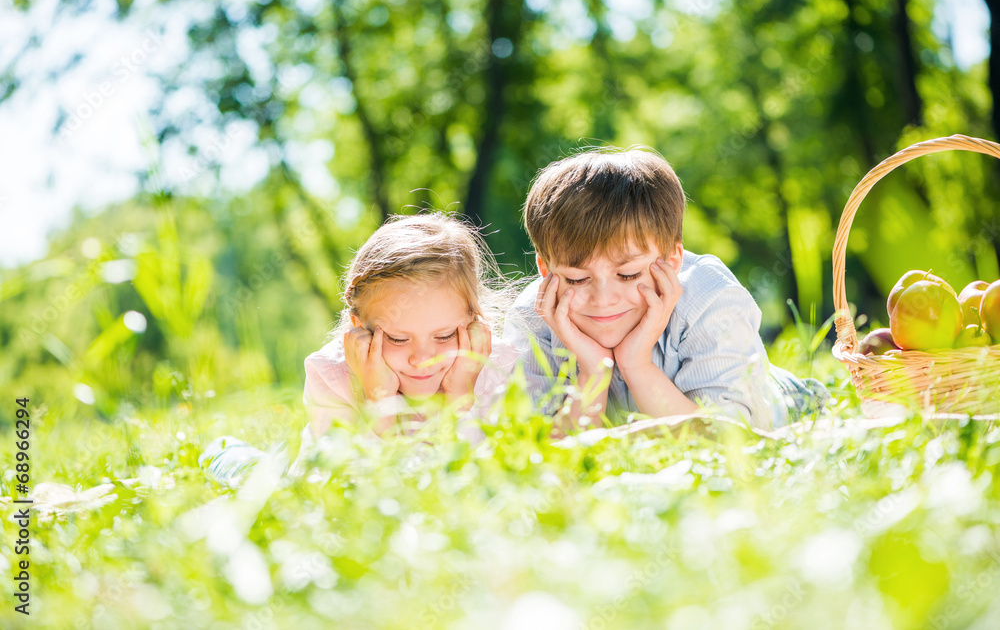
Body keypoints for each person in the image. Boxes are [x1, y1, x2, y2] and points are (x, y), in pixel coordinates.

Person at [502, 147, 828, 433]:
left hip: (782, 406)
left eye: (628, 274)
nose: (603, 299)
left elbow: (726, 443)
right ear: (546, 270)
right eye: (576, 279)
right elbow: (541, 453)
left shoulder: (710, 299)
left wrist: (637, 364)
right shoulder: (534, 316)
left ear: (671, 262)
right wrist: (593, 372)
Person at [201, 212, 517, 486]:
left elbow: (487, 477)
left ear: (474, 321)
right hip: (310, 483)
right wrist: (378, 405)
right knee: (263, 481)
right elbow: (347, 489)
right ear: (358, 328)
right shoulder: (332, 376)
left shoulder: (495, 369)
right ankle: (232, 455)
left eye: (445, 335)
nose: (423, 358)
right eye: (398, 338)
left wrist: (460, 398)